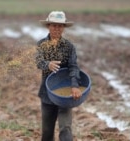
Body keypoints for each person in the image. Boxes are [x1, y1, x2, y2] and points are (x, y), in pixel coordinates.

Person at [35, 11, 82, 141]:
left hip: (65, 94)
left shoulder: (69, 47)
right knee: (47, 131)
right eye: (54, 25)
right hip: (47, 93)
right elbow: (38, 62)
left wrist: (74, 85)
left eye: (60, 26)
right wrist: (48, 64)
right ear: (48, 26)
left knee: (65, 128)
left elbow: (73, 66)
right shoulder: (41, 45)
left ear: (64, 28)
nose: (57, 29)